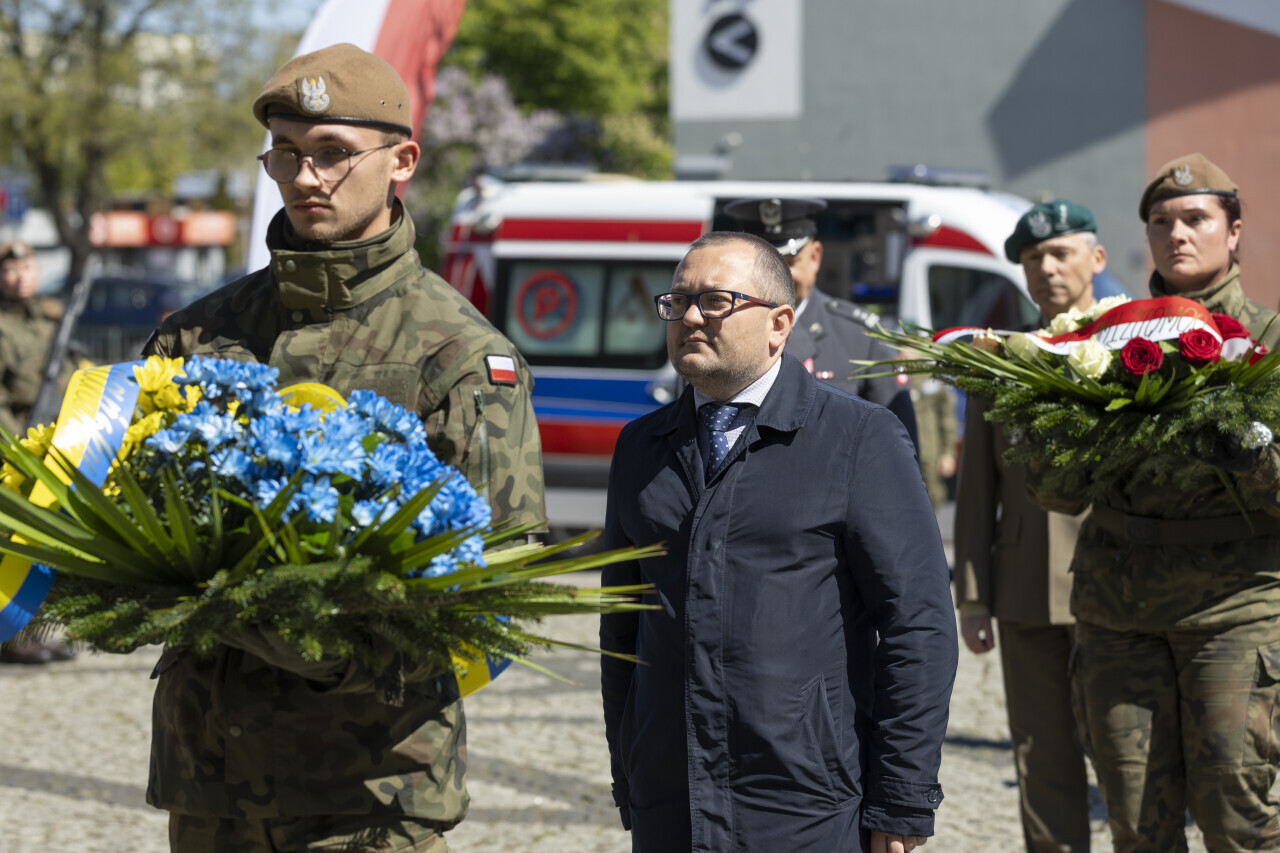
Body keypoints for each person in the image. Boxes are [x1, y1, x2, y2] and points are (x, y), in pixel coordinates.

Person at [142, 43, 545, 853]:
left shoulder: (459, 356)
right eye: (286, 153)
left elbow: (494, 589)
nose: (305, 177)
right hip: (212, 778)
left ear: (402, 162)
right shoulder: (197, 334)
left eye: (332, 153)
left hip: (368, 790)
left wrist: (319, 644)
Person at [599, 231, 957, 853]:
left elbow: (917, 625)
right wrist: (630, 767)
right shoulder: (641, 447)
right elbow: (621, 629)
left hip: (805, 805)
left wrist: (901, 797)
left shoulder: (858, 438)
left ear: (779, 324)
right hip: (672, 799)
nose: (689, 318)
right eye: (677, 301)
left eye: (716, 302)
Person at [1030, 155, 1280, 852]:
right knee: (1138, 824)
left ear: (1233, 231)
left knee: (1237, 817)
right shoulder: (1103, 339)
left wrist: (1254, 455)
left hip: (1234, 608)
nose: (1177, 234)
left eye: (1196, 218)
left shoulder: (1269, 342)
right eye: (1162, 223)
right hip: (1118, 609)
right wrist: (1057, 436)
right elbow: (1052, 493)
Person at [954, 199, 1104, 853]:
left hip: (1115, 583)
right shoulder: (1001, 356)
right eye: (1033, 258)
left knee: (1129, 757)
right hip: (1025, 585)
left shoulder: (1138, 346)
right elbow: (976, 488)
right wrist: (973, 595)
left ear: (1097, 258)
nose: (1046, 268)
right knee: (1041, 759)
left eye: (1061, 253)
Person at [722, 197, 919, 447]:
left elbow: (898, 446)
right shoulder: (717, 327)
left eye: (788, 263)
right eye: (762, 267)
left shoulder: (862, 337)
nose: (774, 278)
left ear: (814, 257)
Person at [0, 241, 78, 665]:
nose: (20, 277)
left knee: (43, 544)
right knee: (10, 545)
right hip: (13, 450)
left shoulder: (52, 317)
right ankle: (10, 638)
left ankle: (35, 632)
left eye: (27, 267)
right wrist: (18, 447)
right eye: (11, 270)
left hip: (54, 444)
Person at [908, 368, 958, 508]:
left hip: (929, 451)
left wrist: (948, 452)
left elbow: (947, 417)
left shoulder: (932, 373)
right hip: (900, 450)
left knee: (932, 495)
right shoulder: (889, 369)